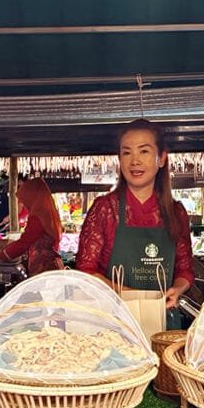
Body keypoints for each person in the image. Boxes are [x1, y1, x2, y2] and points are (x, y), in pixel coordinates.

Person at [76, 118, 194, 326]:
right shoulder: (105, 209)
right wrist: (132, 296)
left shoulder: (176, 212)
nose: (135, 161)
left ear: (161, 158)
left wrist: (177, 289)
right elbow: (85, 270)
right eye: (126, 152)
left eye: (144, 151)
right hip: (113, 321)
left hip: (161, 319)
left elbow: (184, 270)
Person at [0, 177, 63, 276]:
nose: (24, 204)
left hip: (43, 268)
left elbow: (25, 241)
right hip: (50, 266)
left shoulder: (38, 215)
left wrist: (0, 256)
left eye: (25, 200)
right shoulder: (47, 212)